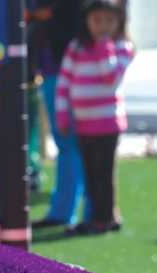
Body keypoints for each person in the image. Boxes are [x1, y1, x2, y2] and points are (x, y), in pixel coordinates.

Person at [55, 0, 134, 234]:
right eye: (97, 20)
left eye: (109, 20)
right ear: (87, 21)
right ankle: (99, 217)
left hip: (108, 123)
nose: (103, 26)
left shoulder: (121, 47)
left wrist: (104, 47)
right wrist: (61, 113)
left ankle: (104, 219)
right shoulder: (76, 47)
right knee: (90, 173)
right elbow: (64, 81)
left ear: (119, 21)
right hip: (83, 124)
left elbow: (111, 77)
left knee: (103, 173)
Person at [30, 0, 90, 228]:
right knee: (72, 145)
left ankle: (69, 211)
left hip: (65, 70)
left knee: (71, 144)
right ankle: (73, 211)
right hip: (56, 68)